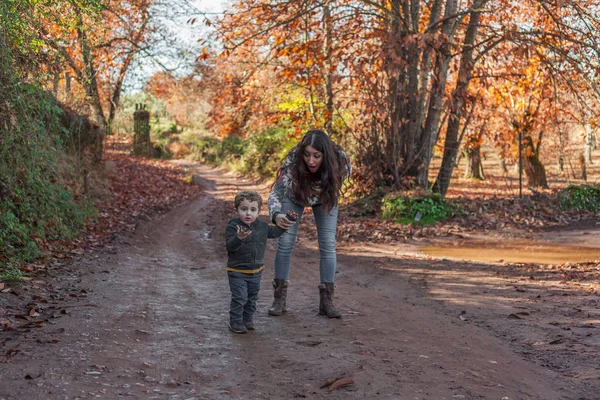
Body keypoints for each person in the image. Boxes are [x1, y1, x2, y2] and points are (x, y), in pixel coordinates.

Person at [267, 129, 352, 319]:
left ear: (326, 156)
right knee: (286, 242)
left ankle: (326, 301)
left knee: (328, 244)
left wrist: (323, 190)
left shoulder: (342, 161)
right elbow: (276, 193)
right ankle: (279, 297)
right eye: (307, 155)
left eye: (316, 156)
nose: (311, 161)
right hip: (295, 196)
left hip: (324, 197)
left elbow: (339, 183)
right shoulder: (292, 163)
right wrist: (276, 214)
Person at [225, 190, 287, 333]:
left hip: (256, 271)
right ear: (237, 209)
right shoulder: (234, 226)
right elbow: (230, 246)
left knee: (252, 298)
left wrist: (288, 219)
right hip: (237, 271)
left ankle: (247, 319)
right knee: (240, 297)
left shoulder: (262, 226)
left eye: (253, 210)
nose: (248, 213)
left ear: (258, 212)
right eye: (244, 209)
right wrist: (239, 238)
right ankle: (235, 322)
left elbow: (275, 232)